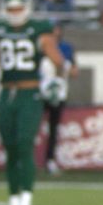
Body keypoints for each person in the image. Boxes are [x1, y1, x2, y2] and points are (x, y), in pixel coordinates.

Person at [0, 0, 69, 205]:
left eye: (19, 7)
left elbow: (58, 60)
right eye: (11, 7)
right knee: (10, 147)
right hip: (6, 93)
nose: (15, 11)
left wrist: (56, 82)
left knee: (24, 142)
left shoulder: (39, 29)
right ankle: (12, 200)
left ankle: (26, 200)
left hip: (30, 94)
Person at [43, 23, 78, 174]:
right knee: (30, 128)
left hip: (59, 93)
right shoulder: (41, 46)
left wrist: (64, 67)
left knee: (53, 128)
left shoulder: (66, 48)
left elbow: (75, 71)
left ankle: (50, 159)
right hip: (40, 92)